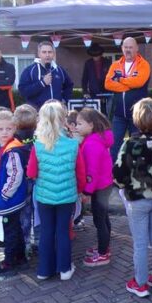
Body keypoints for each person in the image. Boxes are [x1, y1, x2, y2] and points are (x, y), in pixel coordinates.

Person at [113, 98, 152, 297]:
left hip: (137, 199)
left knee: (140, 243)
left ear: (136, 120)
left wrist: (124, 186)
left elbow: (118, 173)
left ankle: (140, 282)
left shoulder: (130, 144)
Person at [26, 101, 86, 281]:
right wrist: (80, 191)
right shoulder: (73, 144)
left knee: (46, 231)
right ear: (63, 120)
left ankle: (44, 270)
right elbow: (80, 173)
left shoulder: (37, 145)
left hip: (45, 196)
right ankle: (65, 269)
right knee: (62, 231)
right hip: (67, 196)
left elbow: (31, 172)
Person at [0, 111, 28, 275]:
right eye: (0, 129)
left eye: (8, 129)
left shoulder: (12, 150)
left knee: (9, 230)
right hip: (8, 198)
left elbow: (15, 175)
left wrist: (4, 194)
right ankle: (20, 257)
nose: (4, 132)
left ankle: (9, 262)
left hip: (10, 199)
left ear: (15, 129)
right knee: (14, 227)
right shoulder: (1, 147)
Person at [74, 108, 115, 267]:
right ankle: (104, 247)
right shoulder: (96, 139)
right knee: (103, 218)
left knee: (100, 220)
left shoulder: (92, 143)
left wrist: (86, 192)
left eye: (79, 124)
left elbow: (92, 172)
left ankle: (103, 253)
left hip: (99, 187)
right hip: (104, 185)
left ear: (91, 125)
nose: (76, 126)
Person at [104, 37, 150, 159]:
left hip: (137, 115)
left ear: (136, 48)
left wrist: (120, 80)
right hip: (118, 115)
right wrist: (128, 85)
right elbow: (108, 84)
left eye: (130, 47)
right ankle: (112, 175)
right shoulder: (115, 65)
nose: (128, 50)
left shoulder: (144, 65)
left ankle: (136, 175)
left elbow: (138, 83)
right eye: (125, 47)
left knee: (137, 147)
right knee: (114, 146)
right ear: (122, 48)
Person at [12, 104, 39, 255]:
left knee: (25, 212)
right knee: (39, 212)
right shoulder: (39, 136)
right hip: (37, 178)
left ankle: (26, 242)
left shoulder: (14, 138)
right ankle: (40, 240)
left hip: (22, 180)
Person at [19, 41, 74, 109]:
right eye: (44, 52)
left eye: (50, 52)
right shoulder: (30, 70)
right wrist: (42, 83)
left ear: (53, 54)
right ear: (39, 54)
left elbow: (69, 85)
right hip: (38, 112)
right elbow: (23, 91)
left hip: (56, 112)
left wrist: (64, 100)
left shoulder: (59, 70)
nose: (47, 55)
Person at [82, 43, 112, 115]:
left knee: (107, 113)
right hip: (94, 92)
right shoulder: (88, 63)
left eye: (97, 55)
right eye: (94, 55)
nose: (95, 57)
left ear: (100, 54)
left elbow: (111, 77)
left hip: (107, 92)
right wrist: (85, 92)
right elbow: (84, 79)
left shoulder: (107, 62)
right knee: (95, 114)